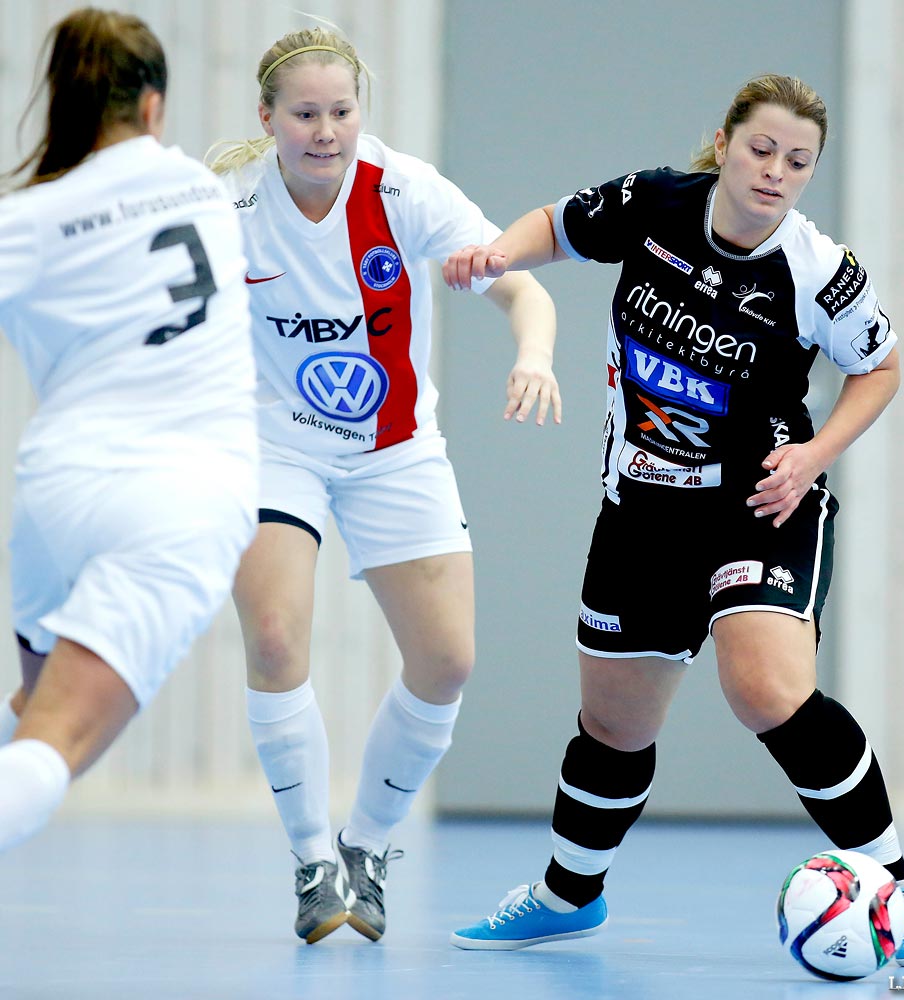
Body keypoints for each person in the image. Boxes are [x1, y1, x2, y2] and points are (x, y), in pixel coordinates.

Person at [442, 74, 904, 967]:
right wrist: (496, 256)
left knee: (764, 689)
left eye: (798, 162)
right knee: (613, 726)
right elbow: (558, 226)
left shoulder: (818, 272)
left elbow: (881, 368)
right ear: (722, 144)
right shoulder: (654, 203)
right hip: (640, 508)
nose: (775, 172)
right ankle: (568, 897)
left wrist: (813, 454)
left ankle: (899, 893)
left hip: (760, 504)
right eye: (761, 150)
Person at [205, 27, 560, 944]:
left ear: (362, 113)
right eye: (305, 114)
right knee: (276, 635)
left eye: (342, 112)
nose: (326, 131)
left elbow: (521, 287)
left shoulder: (404, 190)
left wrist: (535, 354)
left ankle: (365, 848)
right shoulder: (229, 205)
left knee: (447, 662)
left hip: (394, 448)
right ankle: (313, 865)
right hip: (276, 445)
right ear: (268, 119)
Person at [0, 9, 258, 853]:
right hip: (178, 500)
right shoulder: (206, 190)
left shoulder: (30, 220)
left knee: (32, 714)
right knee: (55, 748)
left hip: (58, 495)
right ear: (153, 107)